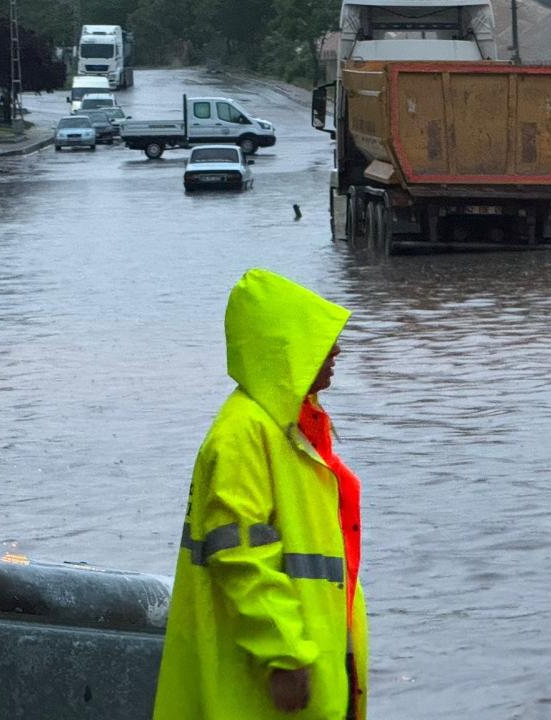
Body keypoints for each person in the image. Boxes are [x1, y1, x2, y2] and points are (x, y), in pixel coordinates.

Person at [154, 269, 368, 720]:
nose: (337, 351)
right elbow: (239, 555)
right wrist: (285, 653)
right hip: (272, 678)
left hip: (311, 660)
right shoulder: (243, 435)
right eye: (322, 340)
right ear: (285, 348)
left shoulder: (288, 426)